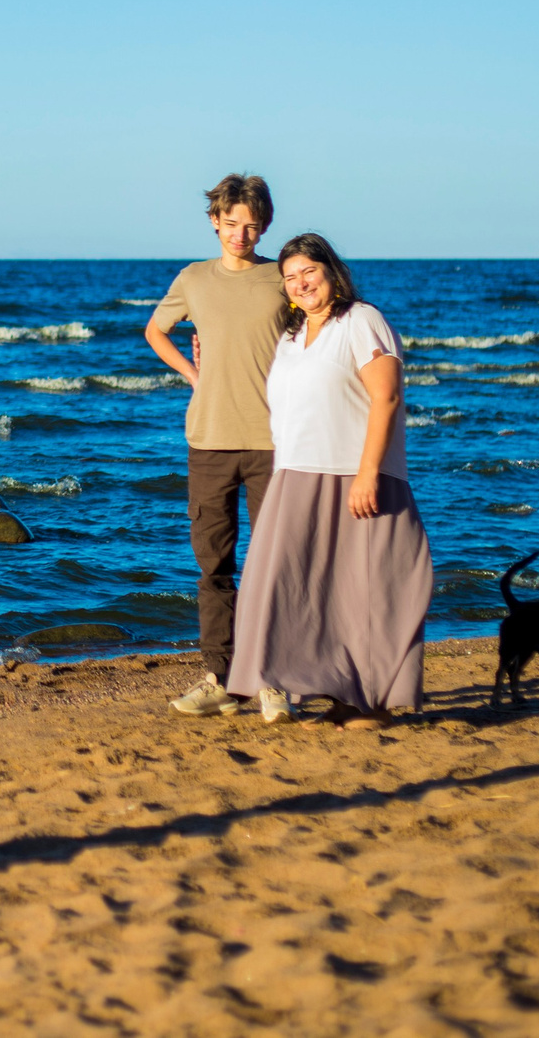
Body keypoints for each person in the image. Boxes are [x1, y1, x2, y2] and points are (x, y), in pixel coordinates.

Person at [226, 233, 434, 728]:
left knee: (368, 591)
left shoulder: (361, 320)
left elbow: (385, 398)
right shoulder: (292, 336)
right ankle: (332, 690)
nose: (301, 285)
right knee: (297, 591)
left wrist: (367, 474)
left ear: (330, 271)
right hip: (296, 473)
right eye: (291, 279)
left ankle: (371, 703)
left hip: (355, 474)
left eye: (309, 273)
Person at [144, 173, 288, 716]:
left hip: (274, 442)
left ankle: (274, 679)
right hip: (208, 442)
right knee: (214, 568)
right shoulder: (194, 279)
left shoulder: (280, 278)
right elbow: (155, 331)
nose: (241, 235)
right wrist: (193, 374)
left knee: (274, 566)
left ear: (265, 226)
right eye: (231, 224)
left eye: (252, 226)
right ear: (214, 221)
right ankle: (223, 679)